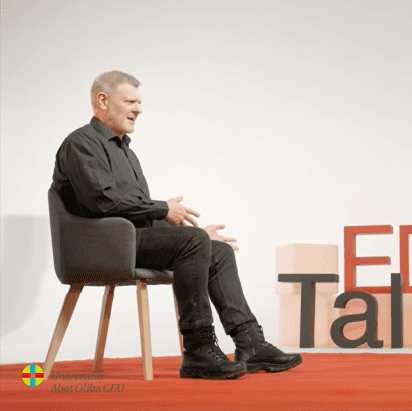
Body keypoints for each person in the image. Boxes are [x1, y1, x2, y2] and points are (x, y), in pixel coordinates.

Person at [51, 71, 302, 380]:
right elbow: (101, 202)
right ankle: (198, 349)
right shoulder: (81, 143)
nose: (138, 109)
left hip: (127, 240)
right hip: (98, 247)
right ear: (102, 101)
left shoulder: (125, 151)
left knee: (218, 251)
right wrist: (166, 212)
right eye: (130, 101)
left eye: (139, 102)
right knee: (194, 241)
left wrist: (195, 235)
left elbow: (135, 216)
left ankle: (250, 343)